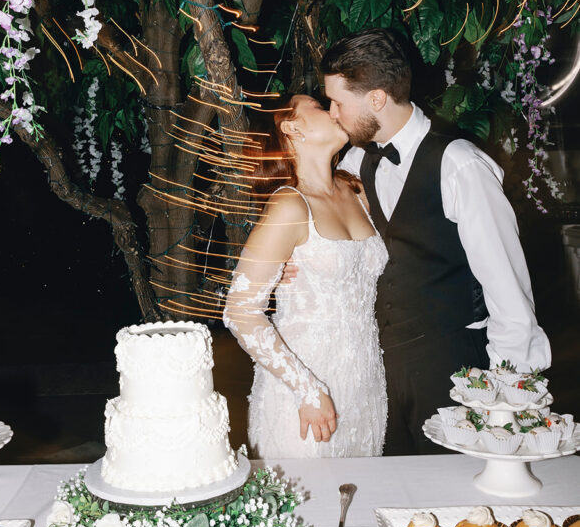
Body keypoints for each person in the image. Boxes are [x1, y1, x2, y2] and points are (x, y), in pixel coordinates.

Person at [314, 28, 551, 455]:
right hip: (380, 370)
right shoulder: (354, 159)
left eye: (337, 102)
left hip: (453, 369)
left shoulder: (460, 165)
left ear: (376, 99)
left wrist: (506, 396)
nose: (332, 113)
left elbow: (508, 289)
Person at [223, 94, 389, 459]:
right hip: (302, 390)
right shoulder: (289, 206)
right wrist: (308, 390)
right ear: (292, 127)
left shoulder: (356, 189)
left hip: (364, 382)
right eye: (317, 105)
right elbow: (239, 311)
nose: (332, 110)